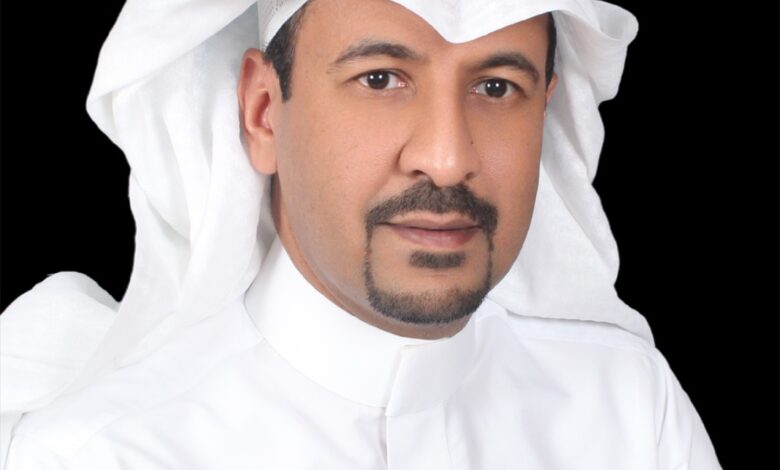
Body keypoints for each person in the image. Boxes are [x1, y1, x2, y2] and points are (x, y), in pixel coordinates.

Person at [0, 0, 724, 468]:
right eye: (380, 79)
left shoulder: (631, 412)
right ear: (263, 113)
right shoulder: (106, 454)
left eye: (496, 87)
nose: (447, 158)